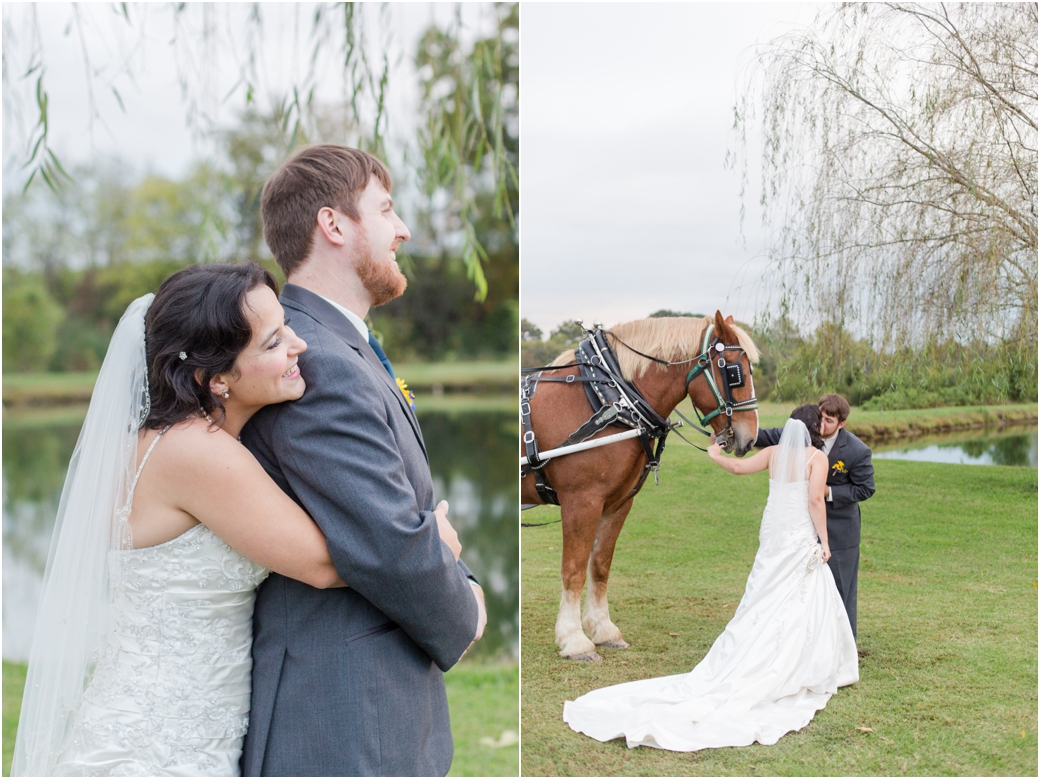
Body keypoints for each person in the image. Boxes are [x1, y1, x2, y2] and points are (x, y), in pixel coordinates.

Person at [10, 263, 466, 777]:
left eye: (287, 328)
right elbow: (323, 563)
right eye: (273, 343)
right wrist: (434, 541)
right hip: (165, 739)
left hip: (188, 721)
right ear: (216, 378)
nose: (300, 345)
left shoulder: (166, 440)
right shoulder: (197, 453)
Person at [239, 144, 486, 776]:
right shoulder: (309, 359)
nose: (403, 229)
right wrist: (469, 608)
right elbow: (387, 542)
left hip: (372, 699)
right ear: (335, 225)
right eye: (386, 209)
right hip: (341, 717)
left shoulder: (338, 342)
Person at [563, 406, 858, 752]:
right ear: (813, 430)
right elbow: (814, 502)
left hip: (774, 532)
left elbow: (736, 466)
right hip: (797, 533)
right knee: (800, 594)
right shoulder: (816, 460)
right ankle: (802, 663)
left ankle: (760, 649)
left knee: (763, 593)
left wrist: (715, 453)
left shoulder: (774, 453)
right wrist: (824, 542)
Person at [755, 393, 875, 638]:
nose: (821, 424)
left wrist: (828, 490)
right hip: (802, 527)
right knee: (803, 588)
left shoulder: (857, 451)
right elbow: (764, 436)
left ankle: (843, 646)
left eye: (829, 420)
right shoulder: (801, 433)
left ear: (842, 424)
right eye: (820, 416)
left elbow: (865, 488)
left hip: (840, 531)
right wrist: (732, 433)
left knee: (841, 590)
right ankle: (807, 642)